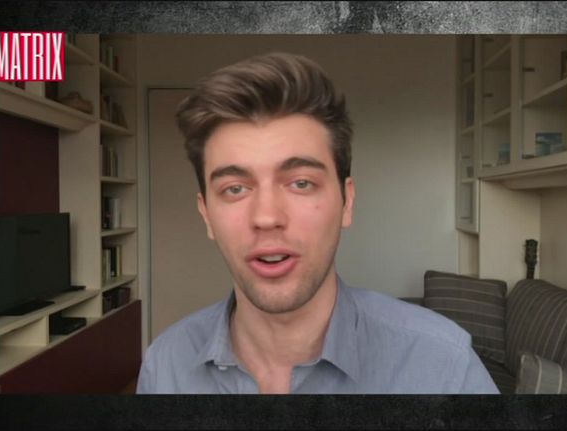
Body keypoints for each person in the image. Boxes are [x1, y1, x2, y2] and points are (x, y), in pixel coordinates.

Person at [136, 52, 499, 394]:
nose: (266, 217)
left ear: (347, 202)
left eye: (301, 183)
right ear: (206, 215)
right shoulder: (164, 368)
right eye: (235, 189)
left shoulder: (444, 367)